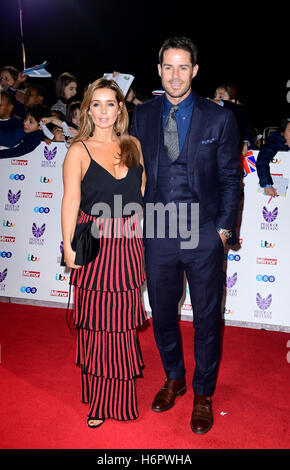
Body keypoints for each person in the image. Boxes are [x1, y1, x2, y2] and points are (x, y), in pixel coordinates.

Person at [130, 36, 240, 434]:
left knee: (208, 318)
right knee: (161, 313)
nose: (175, 75)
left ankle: (204, 392)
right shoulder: (142, 116)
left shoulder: (219, 118)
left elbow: (231, 179)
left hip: (203, 232)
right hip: (158, 228)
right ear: (159, 70)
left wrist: (224, 231)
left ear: (194, 71)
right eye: (168, 67)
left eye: (183, 67)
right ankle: (174, 377)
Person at [61, 78, 147, 428]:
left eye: (110, 103)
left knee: (123, 326)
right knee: (97, 326)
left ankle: (121, 400)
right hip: (94, 243)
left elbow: (139, 195)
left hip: (127, 245)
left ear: (120, 108)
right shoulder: (78, 150)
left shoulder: (134, 146)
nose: (103, 111)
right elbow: (70, 201)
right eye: (95, 104)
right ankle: (99, 401)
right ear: (87, 110)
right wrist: (67, 246)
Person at [256, 117, 290, 197]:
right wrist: (267, 184)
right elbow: (262, 161)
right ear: (282, 132)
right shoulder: (274, 142)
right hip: (278, 190)